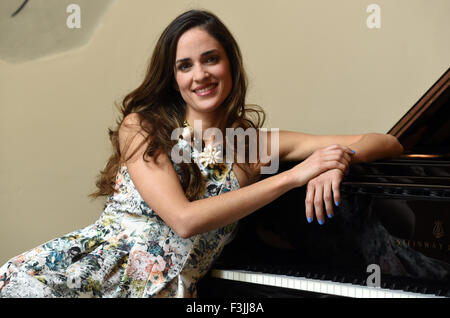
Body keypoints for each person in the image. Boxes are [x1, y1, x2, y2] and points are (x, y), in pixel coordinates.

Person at [0, 9, 404, 298]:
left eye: (211, 59)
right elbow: (184, 220)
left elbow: (384, 141)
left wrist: (336, 159)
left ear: (230, 64)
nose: (200, 75)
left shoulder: (253, 146)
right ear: (173, 78)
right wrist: (297, 174)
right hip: (68, 280)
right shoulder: (143, 127)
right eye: (185, 65)